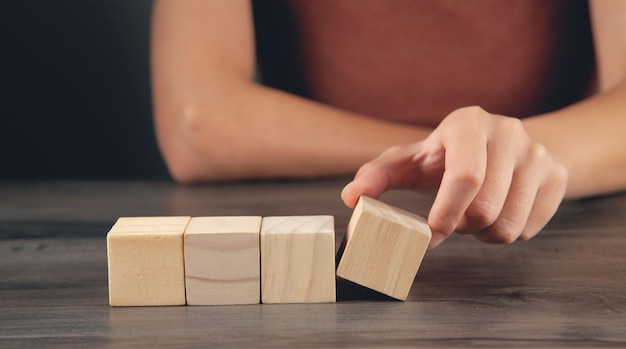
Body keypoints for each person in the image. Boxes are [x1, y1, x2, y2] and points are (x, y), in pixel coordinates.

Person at [151, 0, 626, 248]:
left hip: (554, 232)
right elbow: (200, 122)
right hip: (325, 219)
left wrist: (518, 156)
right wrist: (449, 154)